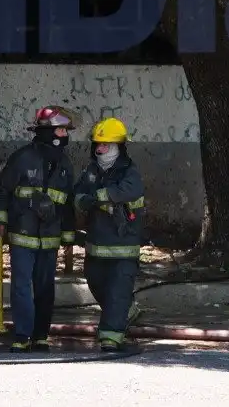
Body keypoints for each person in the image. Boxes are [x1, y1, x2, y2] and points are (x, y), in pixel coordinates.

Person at [0, 105, 77, 353]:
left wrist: (68, 235)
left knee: (45, 287)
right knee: (21, 285)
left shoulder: (64, 165)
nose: (64, 136)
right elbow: (1, 190)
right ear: (48, 132)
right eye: (60, 130)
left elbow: (68, 203)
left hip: (50, 237)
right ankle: (22, 335)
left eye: (65, 131)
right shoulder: (22, 158)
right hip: (23, 234)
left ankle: (41, 336)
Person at [74, 117, 145, 352]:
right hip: (96, 244)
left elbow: (130, 190)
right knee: (96, 283)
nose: (99, 148)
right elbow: (79, 192)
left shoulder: (129, 171)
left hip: (123, 244)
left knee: (117, 289)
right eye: (97, 144)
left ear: (117, 147)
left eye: (104, 145)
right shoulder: (92, 170)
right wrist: (82, 200)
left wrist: (101, 196)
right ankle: (127, 309)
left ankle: (110, 337)